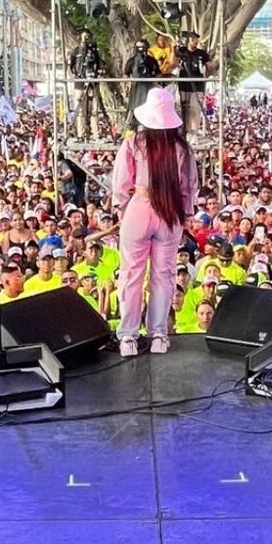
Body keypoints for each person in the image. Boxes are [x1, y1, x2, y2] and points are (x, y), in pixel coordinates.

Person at [111, 87, 198, 356]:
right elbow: (189, 187)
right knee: (164, 276)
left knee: (131, 275)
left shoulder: (134, 143)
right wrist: (183, 217)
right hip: (169, 212)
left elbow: (121, 183)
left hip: (138, 207)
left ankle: (128, 337)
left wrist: (122, 209)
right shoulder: (182, 148)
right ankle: (158, 334)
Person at [70, 30, 106, 141]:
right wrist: (77, 75)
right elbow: (71, 66)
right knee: (80, 111)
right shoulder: (76, 51)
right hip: (80, 84)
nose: (86, 39)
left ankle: (96, 135)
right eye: (84, 36)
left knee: (94, 110)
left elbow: (100, 65)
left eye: (88, 37)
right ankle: (81, 135)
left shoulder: (94, 51)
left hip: (93, 83)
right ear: (80, 37)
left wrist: (99, 71)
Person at [175, 33, 210, 138]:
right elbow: (174, 62)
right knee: (182, 109)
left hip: (197, 86)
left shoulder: (202, 53)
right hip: (183, 85)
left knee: (195, 110)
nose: (194, 41)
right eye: (192, 39)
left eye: (196, 39)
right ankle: (182, 132)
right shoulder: (181, 51)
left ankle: (192, 134)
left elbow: (209, 65)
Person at [124, 40, 158, 126]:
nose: (140, 50)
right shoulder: (131, 61)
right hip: (136, 89)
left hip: (149, 89)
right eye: (138, 47)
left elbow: (158, 74)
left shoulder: (152, 61)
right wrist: (126, 85)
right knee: (134, 107)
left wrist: (156, 84)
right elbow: (126, 74)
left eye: (142, 47)